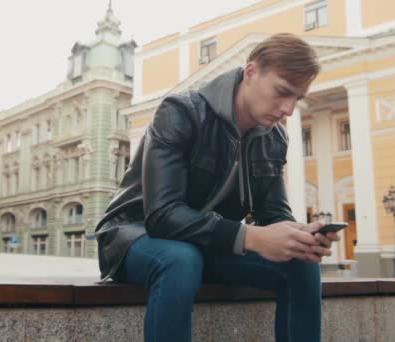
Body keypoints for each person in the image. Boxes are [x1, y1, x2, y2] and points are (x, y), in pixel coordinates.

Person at [95, 33, 339, 342]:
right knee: (180, 258)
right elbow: (162, 215)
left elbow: (274, 215)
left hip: (205, 244)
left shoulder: (273, 137)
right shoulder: (181, 112)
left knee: (301, 265)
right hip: (135, 235)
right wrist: (249, 236)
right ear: (251, 72)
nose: (289, 109)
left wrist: (302, 238)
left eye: (297, 99)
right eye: (282, 92)